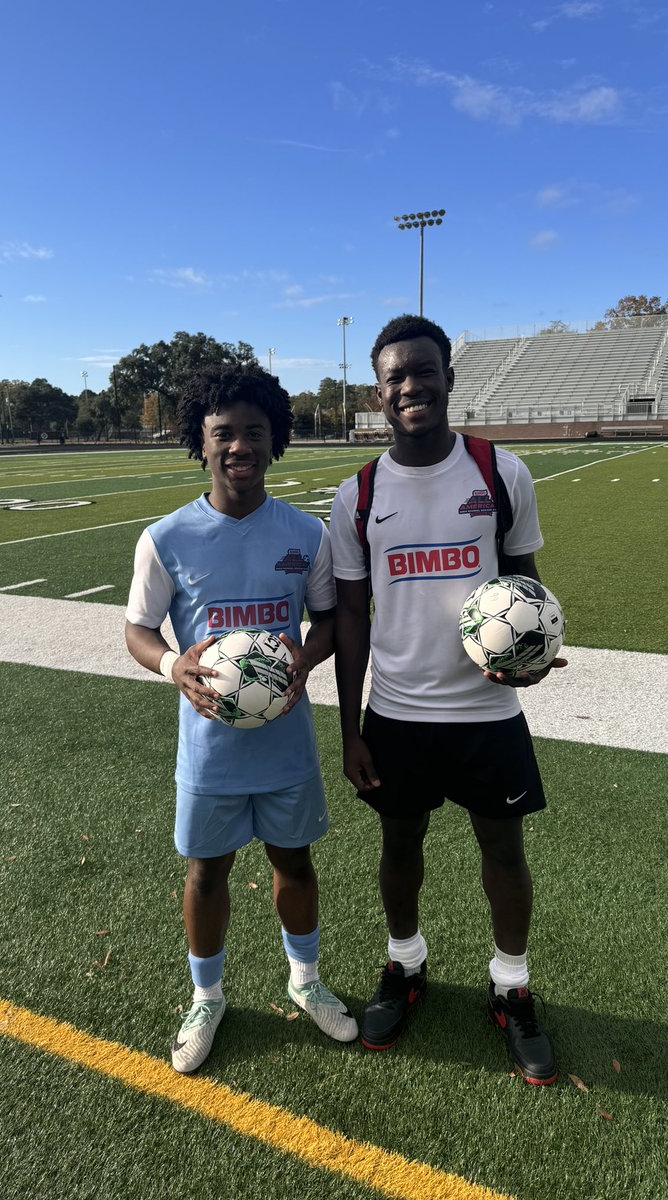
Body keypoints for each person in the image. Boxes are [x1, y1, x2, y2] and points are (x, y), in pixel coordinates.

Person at [329, 315, 566, 1085]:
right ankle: (405, 966)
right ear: (379, 392)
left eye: (423, 371)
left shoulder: (501, 472)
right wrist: (350, 728)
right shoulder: (358, 494)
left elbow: (523, 585)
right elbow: (353, 614)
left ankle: (511, 985)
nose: (410, 387)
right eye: (395, 377)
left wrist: (530, 658)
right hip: (396, 713)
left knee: (504, 850)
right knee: (399, 848)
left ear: (449, 378)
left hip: (486, 714)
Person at [125, 363, 357, 1073]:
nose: (239, 447)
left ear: (274, 439)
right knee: (206, 873)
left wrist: (304, 659)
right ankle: (207, 996)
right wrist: (173, 666)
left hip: (285, 744)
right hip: (209, 752)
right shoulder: (165, 538)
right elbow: (138, 630)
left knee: (294, 861)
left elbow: (332, 621)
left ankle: (306, 982)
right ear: (201, 441)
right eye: (223, 433)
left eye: (254, 433)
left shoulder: (306, 534)